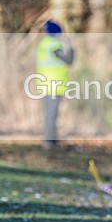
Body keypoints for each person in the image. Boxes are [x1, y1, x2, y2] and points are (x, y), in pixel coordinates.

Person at [36, 20, 74, 150]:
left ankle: (51, 140)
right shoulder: (54, 45)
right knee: (51, 115)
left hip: (46, 84)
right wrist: (70, 47)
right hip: (53, 85)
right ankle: (49, 142)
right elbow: (68, 60)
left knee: (50, 114)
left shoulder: (44, 43)